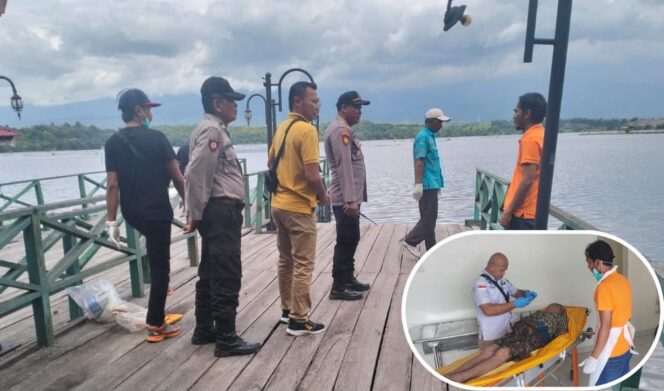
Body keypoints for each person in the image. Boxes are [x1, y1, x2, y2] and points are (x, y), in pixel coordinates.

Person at [183, 76, 261, 357]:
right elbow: (195, 173)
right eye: (232, 101)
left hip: (215, 210)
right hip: (220, 211)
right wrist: (193, 212)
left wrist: (195, 212)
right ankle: (226, 338)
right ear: (218, 103)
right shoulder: (213, 131)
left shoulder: (208, 129)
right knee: (227, 272)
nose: (236, 106)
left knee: (210, 271)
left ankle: (204, 328)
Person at [105, 88, 185, 342]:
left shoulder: (112, 142)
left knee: (154, 258)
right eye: (148, 108)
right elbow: (178, 178)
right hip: (157, 210)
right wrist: (190, 206)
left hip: (132, 213)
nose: (151, 113)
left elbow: (112, 184)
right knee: (161, 268)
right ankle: (155, 323)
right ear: (139, 111)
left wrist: (110, 221)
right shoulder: (157, 138)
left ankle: (156, 313)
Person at [268, 81, 330, 336]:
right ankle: (299, 318)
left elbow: (270, 161)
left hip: (278, 205)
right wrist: (324, 197)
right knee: (304, 263)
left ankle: (286, 310)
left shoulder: (282, 128)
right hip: (299, 207)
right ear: (297, 102)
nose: (317, 106)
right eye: (313, 101)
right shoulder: (306, 130)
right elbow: (313, 175)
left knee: (286, 260)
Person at [323, 91, 371, 301]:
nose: (359, 112)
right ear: (343, 108)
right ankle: (339, 285)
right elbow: (344, 168)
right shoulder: (340, 130)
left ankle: (349, 278)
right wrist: (350, 200)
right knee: (346, 239)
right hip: (345, 198)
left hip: (350, 197)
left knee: (352, 238)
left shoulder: (345, 130)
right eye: (356, 107)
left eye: (361, 108)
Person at [445, 303, 568, 383]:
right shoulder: (540, 312)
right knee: (488, 350)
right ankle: (453, 373)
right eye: (550, 305)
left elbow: (560, 335)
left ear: (560, 310)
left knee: (502, 353)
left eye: (555, 306)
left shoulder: (560, 318)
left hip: (534, 336)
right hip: (517, 331)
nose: (550, 307)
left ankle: (461, 377)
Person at [579, 240, 636, 386]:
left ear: (598, 263)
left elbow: (606, 325)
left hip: (612, 351)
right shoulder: (623, 280)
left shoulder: (604, 287)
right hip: (626, 346)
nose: (588, 267)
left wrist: (594, 357)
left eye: (589, 262)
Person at [399, 108, 449, 258]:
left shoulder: (430, 136)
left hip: (432, 183)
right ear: (431, 121)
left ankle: (431, 250)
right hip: (427, 184)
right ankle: (410, 241)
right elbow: (420, 161)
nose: (441, 125)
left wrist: (437, 184)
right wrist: (419, 184)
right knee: (429, 218)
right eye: (439, 122)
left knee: (429, 218)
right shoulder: (423, 137)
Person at [499, 92, 547, 230]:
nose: (514, 116)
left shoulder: (530, 139)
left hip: (523, 215)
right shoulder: (541, 134)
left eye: (516, 111)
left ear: (527, 113)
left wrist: (508, 213)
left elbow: (527, 179)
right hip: (533, 211)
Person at [472, 252, 537, 348]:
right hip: (491, 336)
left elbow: (515, 292)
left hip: (507, 330)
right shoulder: (480, 284)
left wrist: (526, 293)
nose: (504, 273)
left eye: (505, 270)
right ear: (491, 266)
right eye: (502, 270)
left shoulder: (503, 281)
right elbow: (488, 310)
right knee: (492, 361)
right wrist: (515, 304)